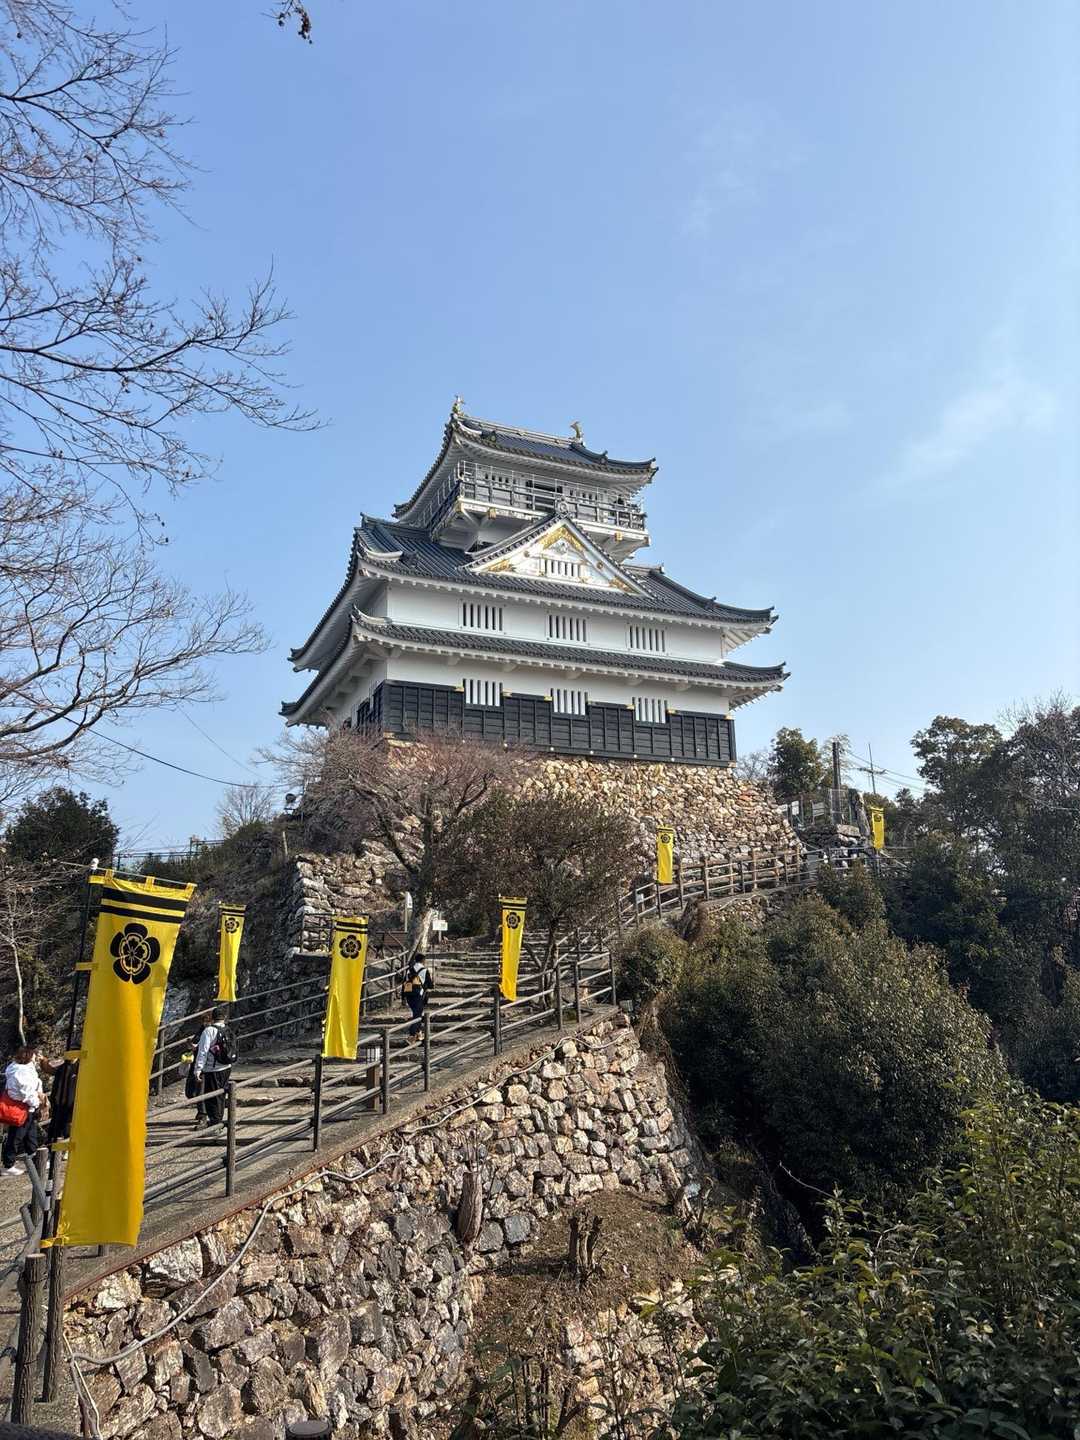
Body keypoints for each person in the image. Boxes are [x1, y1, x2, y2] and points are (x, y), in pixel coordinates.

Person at [1, 1044, 46, 1177]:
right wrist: (36, 1103)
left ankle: (35, 1159)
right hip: (22, 1107)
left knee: (30, 1135)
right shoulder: (21, 1071)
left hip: (27, 1107)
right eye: (34, 1055)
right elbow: (26, 1091)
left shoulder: (21, 1068)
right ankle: (8, 1164)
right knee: (16, 1136)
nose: (36, 1058)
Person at [192, 1009, 231, 1129]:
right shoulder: (227, 1029)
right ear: (224, 1017)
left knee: (212, 1097)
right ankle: (218, 1120)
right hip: (226, 1067)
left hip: (212, 1069)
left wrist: (198, 1069)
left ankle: (215, 1123)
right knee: (220, 1095)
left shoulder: (209, 1031)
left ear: (212, 1018)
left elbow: (203, 1052)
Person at [402, 952, 433, 1044]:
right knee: (417, 1016)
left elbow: (404, 983)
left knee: (416, 1013)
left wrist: (402, 997)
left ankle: (419, 1035)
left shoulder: (409, 970)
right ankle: (411, 1036)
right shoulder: (424, 970)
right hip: (418, 995)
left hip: (408, 994)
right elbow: (430, 985)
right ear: (423, 960)